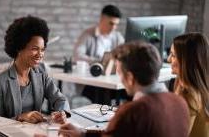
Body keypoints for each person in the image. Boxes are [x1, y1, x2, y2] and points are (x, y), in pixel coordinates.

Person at [55, 41, 189, 137]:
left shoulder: (132, 112)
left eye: (119, 72)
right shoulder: (180, 103)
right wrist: (83, 134)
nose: (120, 78)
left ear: (130, 78)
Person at [0, 16, 70, 124]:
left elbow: (60, 99)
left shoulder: (41, 73)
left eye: (42, 49)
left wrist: (61, 112)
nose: (40, 55)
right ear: (19, 48)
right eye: (35, 49)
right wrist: (20, 117)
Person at [167, 32, 209, 137]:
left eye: (173, 55)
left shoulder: (189, 96)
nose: (168, 60)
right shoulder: (182, 85)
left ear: (186, 61)